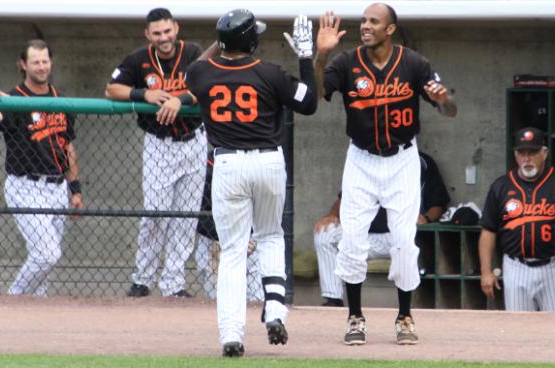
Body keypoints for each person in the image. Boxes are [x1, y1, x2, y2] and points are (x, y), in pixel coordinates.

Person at [314, 3, 457, 346]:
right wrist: (320, 56)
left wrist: (443, 98)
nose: (365, 26)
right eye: (363, 20)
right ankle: (355, 316)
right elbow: (319, 94)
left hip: (401, 159)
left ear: (390, 29)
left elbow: (449, 109)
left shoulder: (414, 63)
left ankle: (405, 316)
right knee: (351, 240)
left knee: (404, 241)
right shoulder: (347, 62)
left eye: (373, 22)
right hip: (361, 159)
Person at [185, 9, 317, 357]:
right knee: (271, 235)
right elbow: (309, 103)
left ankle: (231, 335)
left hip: (227, 163)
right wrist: (306, 58)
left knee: (232, 252)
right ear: (253, 42)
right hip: (269, 161)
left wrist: (221, 40)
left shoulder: (202, 73)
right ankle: (274, 310)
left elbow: (193, 68)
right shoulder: (269, 72)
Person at [105, 8, 208, 298]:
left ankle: (173, 283)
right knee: (154, 213)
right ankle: (143, 278)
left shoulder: (194, 52)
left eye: (167, 31)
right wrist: (143, 94)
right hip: (159, 144)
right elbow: (111, 89)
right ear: (148, 34)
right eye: (158, 33)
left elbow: (208, 86)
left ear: (176, 28)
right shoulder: (139, 59)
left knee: (186, 216)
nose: (164, 37)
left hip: (193, 140)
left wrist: (181, 99)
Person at [0, 39, 84, 296]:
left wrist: (76, 190)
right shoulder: (13, 99)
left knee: (44, 260)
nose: (41, 66)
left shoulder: (60, 100)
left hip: (57, 187)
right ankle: (13, 299)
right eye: (35, 62)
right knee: (47, 255)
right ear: (23, 64)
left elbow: (67, 147)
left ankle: (36, 314)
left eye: (45, 61)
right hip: (25, 186)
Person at [314, 151, 450, 311]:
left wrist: (426, 218)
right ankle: (333, 300)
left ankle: (405, 312)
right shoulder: (365, 159)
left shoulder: (420, 161)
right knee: (325, 233)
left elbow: (438, 203)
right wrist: (332, 215)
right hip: (365, 238)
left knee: (407, 241)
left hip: (397, 238)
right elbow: (345, 197)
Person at [479, 127, 555, 311]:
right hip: (516, 267)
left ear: (544, 153)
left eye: (532, 153)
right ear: (515, 155)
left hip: (553, 266)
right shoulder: (501, 186)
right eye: (521, 153)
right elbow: (488, 231)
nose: (526, 159)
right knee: (518, 328)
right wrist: (486, 271)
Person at [194, 151, 264, 302]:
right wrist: (225, 237)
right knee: (219, 298)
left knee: (257, 298)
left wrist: (246, 237)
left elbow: (265, 211)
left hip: (249, 237)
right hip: (213, 237)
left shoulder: (259, 163)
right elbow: (197, 217)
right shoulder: (207, 166)